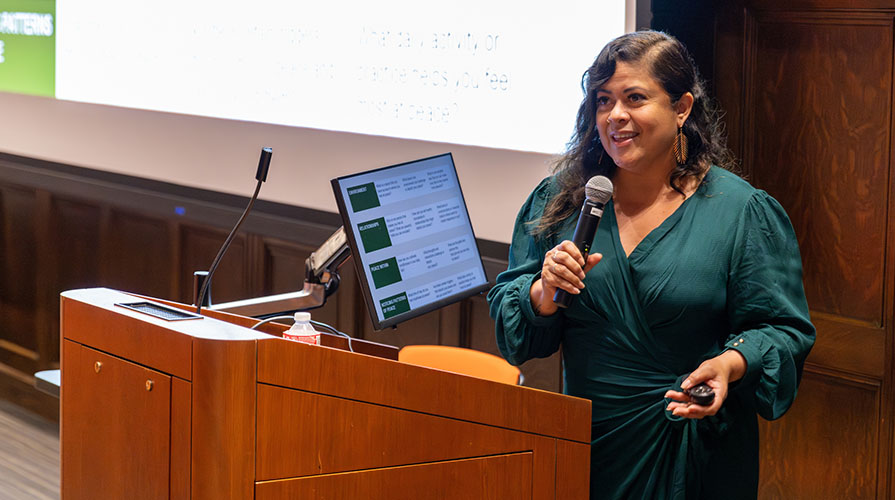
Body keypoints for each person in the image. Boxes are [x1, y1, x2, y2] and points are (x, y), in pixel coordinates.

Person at [487, 30, 815, 499]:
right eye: (603, 101)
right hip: (589, 449)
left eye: (634, 98)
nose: (615, 116)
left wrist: (730, 363)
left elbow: (782, 330)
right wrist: (542, 293)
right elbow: (514, 328)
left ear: (681, 108)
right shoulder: (562, 202)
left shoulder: (742, 212)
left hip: (697, 453)